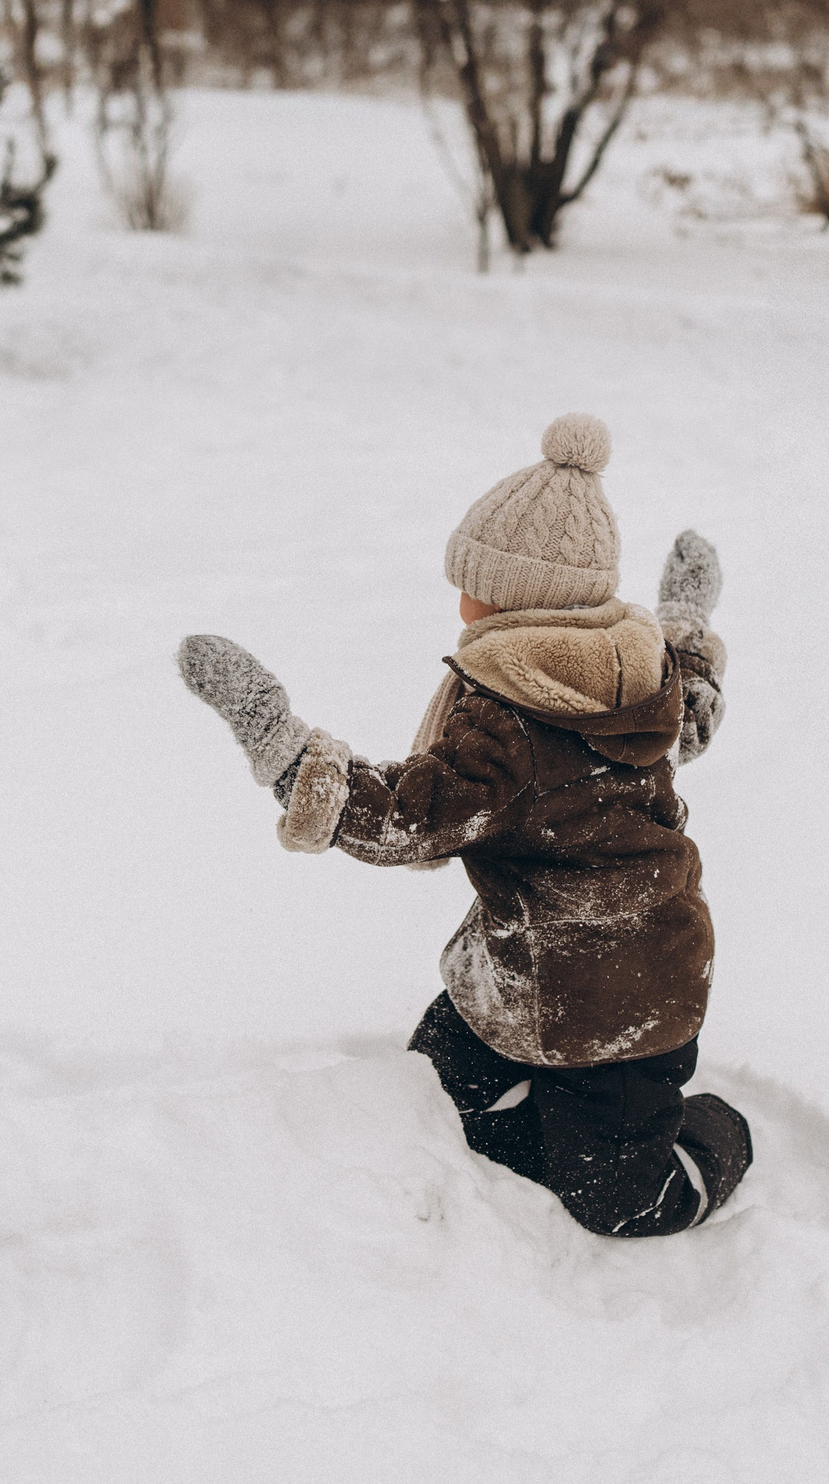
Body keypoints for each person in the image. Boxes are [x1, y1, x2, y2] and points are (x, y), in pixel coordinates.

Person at [178, 412, 751, 1237]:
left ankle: (709, 1136)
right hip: (516, 974)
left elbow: (404, 817)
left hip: (621, 1006)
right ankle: (553, 1125)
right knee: (425, 1105)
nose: (460, 599)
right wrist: (684, 625)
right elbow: (692, 708)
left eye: (475, 583)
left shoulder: (512, 730)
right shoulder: (633, 670)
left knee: (624, 1206)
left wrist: (278, 740)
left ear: (524, 604)